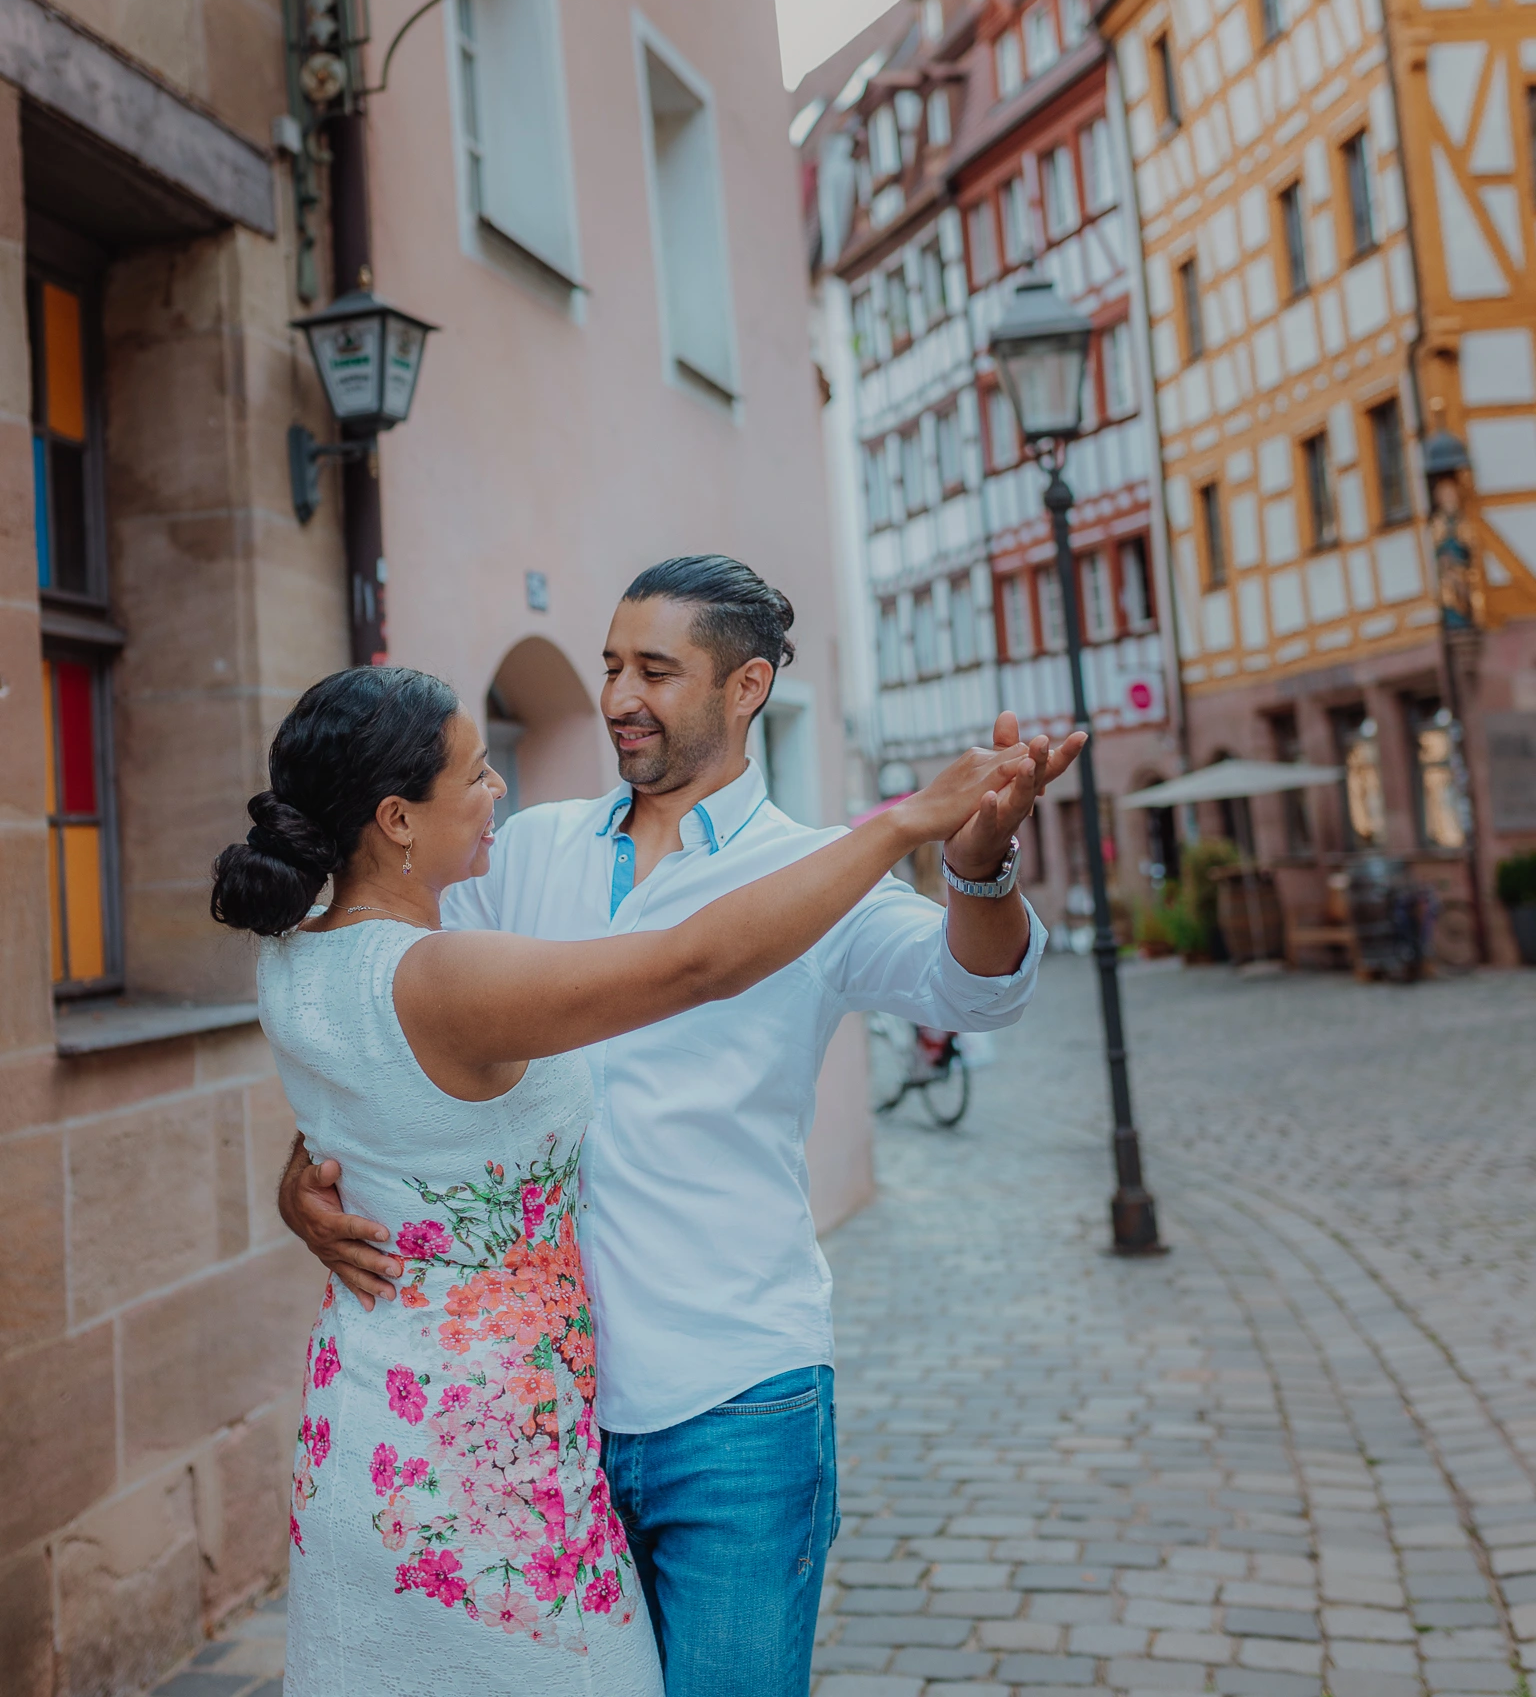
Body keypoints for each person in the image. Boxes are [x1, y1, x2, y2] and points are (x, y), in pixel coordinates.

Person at [280, 557, 1084, 1695]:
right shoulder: (530, 850)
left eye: (656, 670)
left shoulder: (817, 873)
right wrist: (308, 1170)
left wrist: (978, 868)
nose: (618, 697)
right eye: (611, 665)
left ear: (746, 686)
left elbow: (974, 989)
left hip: (735, 1402)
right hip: (536, 1412)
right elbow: (391, 1021)